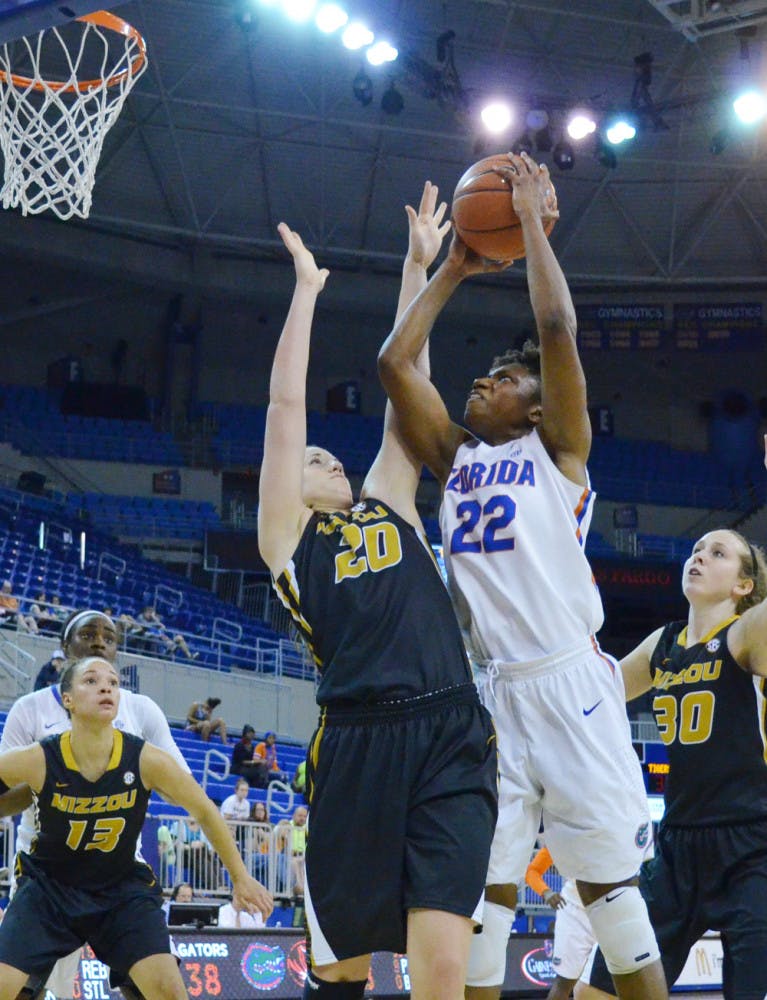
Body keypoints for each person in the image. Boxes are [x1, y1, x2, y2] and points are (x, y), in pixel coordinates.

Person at [377, 155, 666, 1000]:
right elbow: (396, 365)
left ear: (536, 409)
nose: (482, 380)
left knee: (607, 892)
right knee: (485, 890)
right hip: (495, 688)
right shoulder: (455, 460)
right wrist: (454, 269)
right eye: (485, 374)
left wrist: (532, 227)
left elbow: (555, 332)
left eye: (502, 380)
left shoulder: (558, 457)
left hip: (572, 681)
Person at [257, 187, 497, 1000]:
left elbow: (409, 381)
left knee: (440, 965)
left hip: (449, 724)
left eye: (333, 457)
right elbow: (285, 405)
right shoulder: (286, 540)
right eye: (312, 459)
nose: (325, 462)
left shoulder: (390, 500)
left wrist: (416, 268)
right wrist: (305, 293)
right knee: (343, 969)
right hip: (357, 742)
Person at [0, 655, 272, 999]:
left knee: (168, 992)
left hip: (121, 890)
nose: (106, 687)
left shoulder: (145, 759)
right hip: (50, 889)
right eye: (91, 681)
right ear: (66, 699)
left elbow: (204, 810)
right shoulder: (40, 757)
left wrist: (241, 877)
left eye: (113, 682)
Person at [576, 525, 767, 1000]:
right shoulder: (664, 645)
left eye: (718, 553)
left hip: (752, 844)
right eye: (697, 549)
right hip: (677, 849)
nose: (699, 556)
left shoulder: (745, 632)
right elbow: (593, 698)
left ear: (744, 585)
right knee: (596, 993)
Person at [0, 608, 193, 1000]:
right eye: (89, 634)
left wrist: (128, 778)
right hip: (47, 876)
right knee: (24, 990)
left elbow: (180, 788)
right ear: (64, 646)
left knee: (153, 987)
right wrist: (55, 783)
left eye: (110, 637)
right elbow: (4, 798)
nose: (100, 642)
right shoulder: (30, 709)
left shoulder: (141, 709)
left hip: (118, 873)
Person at [526, 846, 594, 1000]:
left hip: (607, 911)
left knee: (608, 982)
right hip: (573, 911)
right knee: (564, 983)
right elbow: (532, 871)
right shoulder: (562, 833)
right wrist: (546, 892)